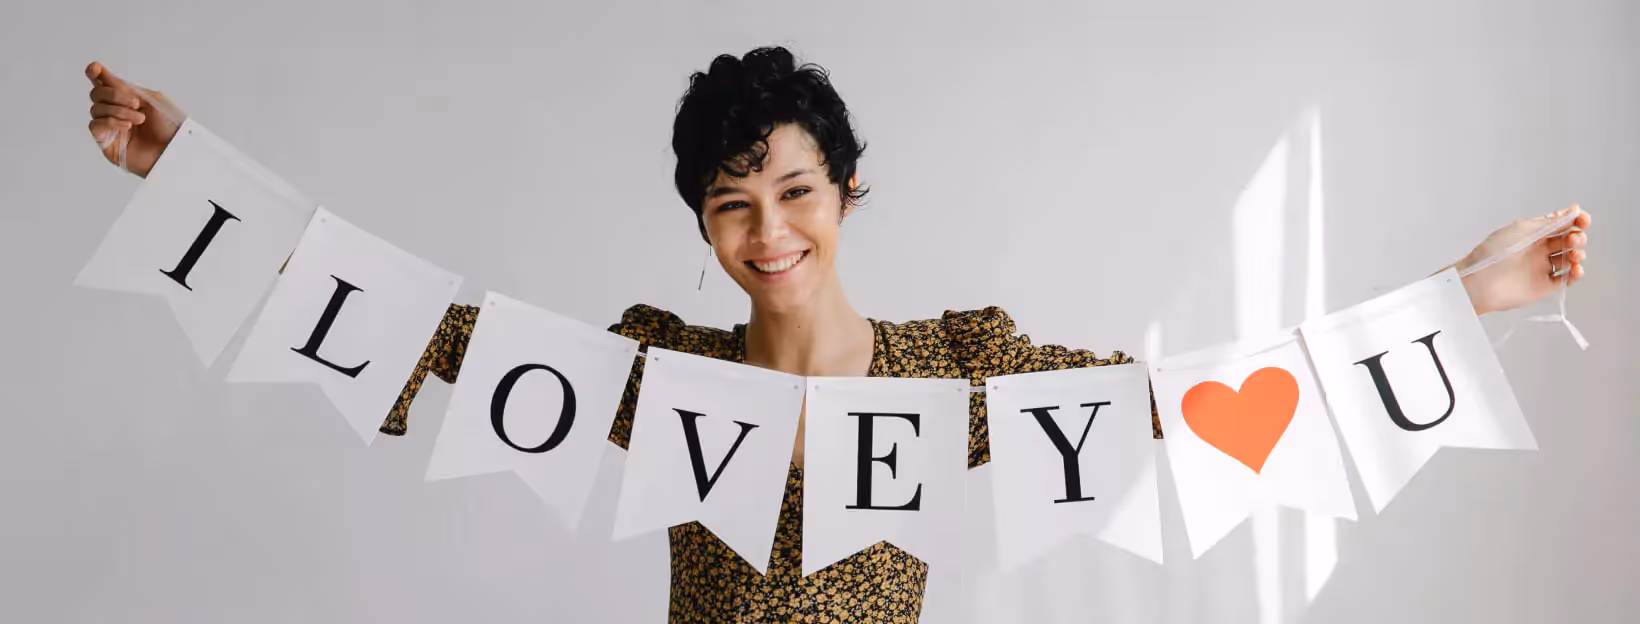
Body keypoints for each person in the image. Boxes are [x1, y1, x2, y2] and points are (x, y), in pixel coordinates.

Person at [82, 46, 1591, 624]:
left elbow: (1176, 404)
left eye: (795, 190)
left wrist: (1464, 291)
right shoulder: (653, 366)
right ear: (702, 222)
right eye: (733, 203)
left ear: (847, 193)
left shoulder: (958, 365)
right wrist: (187, 167)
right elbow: (423, 339)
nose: (770, 230)